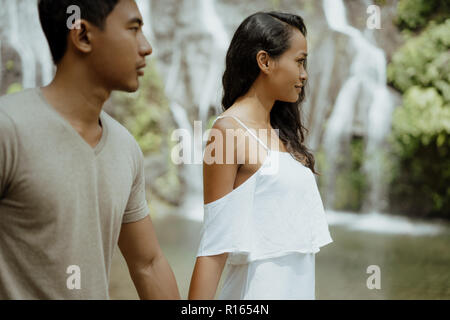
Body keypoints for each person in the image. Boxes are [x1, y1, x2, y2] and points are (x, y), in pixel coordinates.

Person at [0, 0, 180, 299]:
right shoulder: (8, 129)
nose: (146, 47)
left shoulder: (125, 147)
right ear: (82, 36)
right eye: (133, 29)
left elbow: (148, 264)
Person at [188, 11, 333, 300]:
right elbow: (214, 249)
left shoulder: (281, 133)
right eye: (300, 61)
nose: (304, 74)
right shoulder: (227, 132)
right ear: (265, 61)